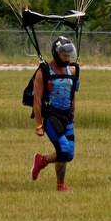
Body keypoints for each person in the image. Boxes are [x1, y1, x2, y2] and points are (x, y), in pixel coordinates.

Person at [30, 36, 79, 192]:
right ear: (56, 54)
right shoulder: (44, 72)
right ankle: (60, 185)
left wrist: (73, 115)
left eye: (69, 56)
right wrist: (39, 124)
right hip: (52, 117)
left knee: (69, 154)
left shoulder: (72, 71)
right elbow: (36, 100)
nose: (67, 59)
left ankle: (42, 161)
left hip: (67, 117)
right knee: (63, 149)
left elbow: (72, 97)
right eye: (64, 56)